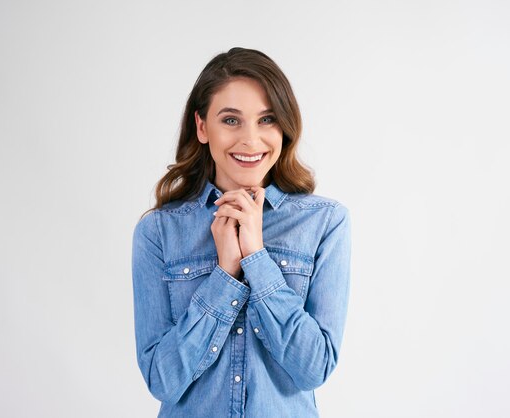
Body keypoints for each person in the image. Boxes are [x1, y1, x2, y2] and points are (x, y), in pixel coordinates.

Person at [131, 47, 351, 418]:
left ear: (284, 126)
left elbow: (314, 368)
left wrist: (256, 258)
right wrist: (224, 277)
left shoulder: (325, 223)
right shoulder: (158, 232)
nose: (251, 140)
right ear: (202, 127)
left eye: (267, 120)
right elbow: (162, 380)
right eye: (231, 120)